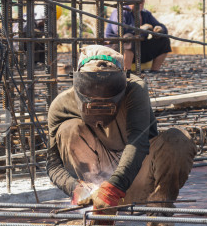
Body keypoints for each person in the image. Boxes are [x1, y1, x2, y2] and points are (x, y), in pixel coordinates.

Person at [46, 45, 196, 216]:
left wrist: (114, 188)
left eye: (107, 88)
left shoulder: (134, 90)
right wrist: (76, 189)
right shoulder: (61, 105)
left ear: (123, 81)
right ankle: (99, 209)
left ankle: (158, 209)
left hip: (140, 176)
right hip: (96, 186)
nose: (99, 95)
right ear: (78, 81)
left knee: (178, 139)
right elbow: (53, 165)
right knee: (68, 129)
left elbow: (137, 143)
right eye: (92, 87)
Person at [105, 0, 171, 71]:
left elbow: (161, 27)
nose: (140, 3)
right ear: (130, 0)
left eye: (142, 0)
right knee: (129, 38)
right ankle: (125, 72)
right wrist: (141, 29)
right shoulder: (121, 11)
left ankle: (155, 71)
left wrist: (160, 29)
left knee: (164, 40)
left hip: (136, 50)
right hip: (116, 50)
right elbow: (120, 31)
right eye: (138, 0)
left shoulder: (145, 13)